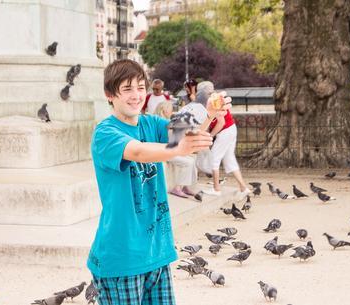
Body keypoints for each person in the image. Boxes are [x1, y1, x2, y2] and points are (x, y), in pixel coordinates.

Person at [88, 59, 229, 305]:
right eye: (127, 89)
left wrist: (210, 113)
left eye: (141, 87)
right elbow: (139, 152)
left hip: (157, 251)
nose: (136, 95)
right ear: (110, 95)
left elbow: (187, 132)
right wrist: (179, 147)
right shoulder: (104, 133)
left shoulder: (151, 123)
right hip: (121, 257)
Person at [196, 81, 250, 198]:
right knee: (229, 160)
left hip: (225, 131)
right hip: (230, 129)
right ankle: (243, 187)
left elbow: (221, 123)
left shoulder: (214, 100)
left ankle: (216, 189)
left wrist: (210, 136)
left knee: (214, 160)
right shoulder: (215, 99)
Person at [154, 102, 197, 198]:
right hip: (163, 151)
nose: (171, 110)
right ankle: (177, 188)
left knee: (192, 160)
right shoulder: (160, 123)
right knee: (187, 162)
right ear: (165, 110)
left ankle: (186, 186)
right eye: (170, 108)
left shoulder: (168, 121)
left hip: (170, 149)